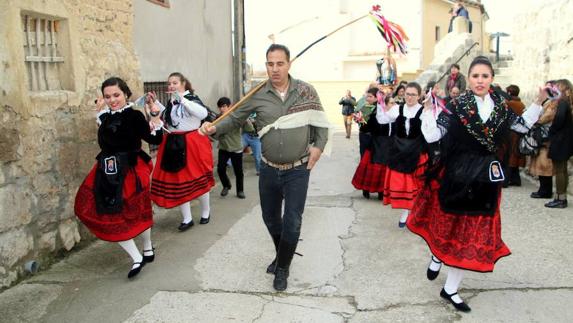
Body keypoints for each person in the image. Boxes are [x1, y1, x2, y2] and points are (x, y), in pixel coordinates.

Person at [408, 56, 545, 312]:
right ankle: (437, 255)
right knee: (449, 227)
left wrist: (538, 101)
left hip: (486, 180)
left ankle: (450, 289)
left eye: (484, 76)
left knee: (471, 236)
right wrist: (427, 110)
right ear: (468, 79)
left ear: (492, 79)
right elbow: (432, 135)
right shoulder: (456, 106)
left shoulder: (502, 108)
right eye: (475, 76)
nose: (480, 80)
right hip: (458, 176)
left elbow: (522, 126)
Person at [200, 44, 330, 292]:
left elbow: (320, 121)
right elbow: (235, 118)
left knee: (292, 222)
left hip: (297, 169)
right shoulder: (257, 94)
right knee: (271, 219)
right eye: (270, 64)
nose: (275, 69)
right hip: (269, 169)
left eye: (280, 63)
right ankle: (283, 255)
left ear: (289, 64)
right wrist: (214, 128)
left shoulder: (305, 91)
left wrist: (319, 146)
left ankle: (282, 268)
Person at [74, 77, 163, 279]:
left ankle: (148, 248)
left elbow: (154, 139)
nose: (112, 100)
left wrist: (155, 118)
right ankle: (137, 256)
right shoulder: (105, 117)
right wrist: (100, 114)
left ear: (125, 94)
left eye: (116, 95)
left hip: (130, 169)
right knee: (102, 210)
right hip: (107, 169)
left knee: (138, 210)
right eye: (108, 96)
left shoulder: (135, 116)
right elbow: (107, 141)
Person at [149, 72, 215, 230]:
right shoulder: (172, 101)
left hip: (192, 143)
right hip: (173, 142)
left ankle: (206, 211)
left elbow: (203, 114)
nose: (171, 86)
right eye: (169, 83)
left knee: (198, 179)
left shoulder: (191, 98)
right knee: (179, 181)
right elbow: (170, 117)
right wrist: (155, 101)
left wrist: (182, 99)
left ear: (183, 84)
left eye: (175, 83)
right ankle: (187, 218)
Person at [379, 82, 427, 227]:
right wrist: (380, 104)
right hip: (399, 152)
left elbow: (432, 133)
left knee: (417, 185)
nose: (410, 97)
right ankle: (407, 211)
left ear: (419, 96)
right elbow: (382, 120)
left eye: (413, 94)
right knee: (403, 184)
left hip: (417, 152)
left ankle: (412, 213)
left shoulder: (424, 111)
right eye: (407, 94)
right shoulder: (397, 109)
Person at [352, 88, 393, 200]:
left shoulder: (383, 110)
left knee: (379, 165)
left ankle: (381, 191)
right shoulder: (366, 108)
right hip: (370, 140)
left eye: (370, 96)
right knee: (368, 164)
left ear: (377, 98)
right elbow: (365, 125)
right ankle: (367, 189)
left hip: (380, 141)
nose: (367, 98)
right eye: (367, 96)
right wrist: (360, 120)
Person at [545, 79, 573, 208]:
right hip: (567, 140)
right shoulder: (568, 102)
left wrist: (552, 131)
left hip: (560, 140)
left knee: (559, 170)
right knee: (562, 169)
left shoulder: (563, 103)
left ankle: (560, 198)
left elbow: (559, 120)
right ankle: (561, 197)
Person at [216, 97, 245, 199]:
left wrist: (245, 119)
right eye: (220, 107)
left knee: (238, 171)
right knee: (220, 169)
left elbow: (249, 128)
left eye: (224, 106)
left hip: (236, 147)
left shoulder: (236, 117)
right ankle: (226, 185)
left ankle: (240, 190)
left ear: (230, 106)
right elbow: (215, 135)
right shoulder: (218, 118)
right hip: (224, 148)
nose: (222, 109)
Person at [504, 85, 526, 186]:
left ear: (509, 93)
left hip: (510, 132)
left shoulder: (509, 104)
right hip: (519, 132)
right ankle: (516, 179)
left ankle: (507, 180)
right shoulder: (521, 104)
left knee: (509, 155)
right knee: (516, 155)